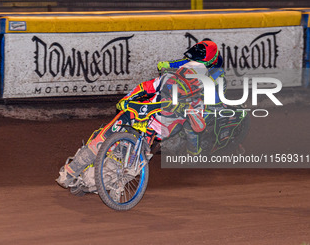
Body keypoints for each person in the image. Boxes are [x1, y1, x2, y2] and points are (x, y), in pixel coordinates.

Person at [56, 40, 226, 189]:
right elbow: (151, 83)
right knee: (121, 146)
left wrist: (127, 99)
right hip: (155, 122)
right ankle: (86, 173)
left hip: (153, 117)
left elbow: (147, 86)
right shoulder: (187, 79)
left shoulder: (188, 78)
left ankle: (76, 173)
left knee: (110, 139)